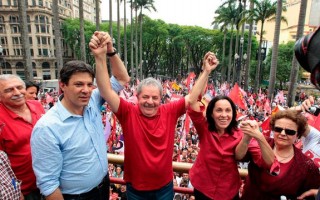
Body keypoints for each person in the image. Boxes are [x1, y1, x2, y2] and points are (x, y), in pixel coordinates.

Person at [89, 31, 189, 199]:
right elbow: (106, 90)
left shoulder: (170, 111)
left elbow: (193, 97)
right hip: (135, 190)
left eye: (155, 97)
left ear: (161, 98)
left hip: (165, 187)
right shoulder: (128, 111)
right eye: (145, 97)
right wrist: (101, 57)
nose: (150, 101)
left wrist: (206, 71)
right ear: (137, 96)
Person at [31, 31, 130, 200]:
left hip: (103, 186)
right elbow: (48, 184)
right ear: (63, 85)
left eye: (89, 84)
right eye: (78, 84)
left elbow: (122, 79)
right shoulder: (47, 128)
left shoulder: (92, 101)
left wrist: (108, 52)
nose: (86, 90)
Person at [186, 52, 274, 200]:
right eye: (218, 110)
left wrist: (255, 136)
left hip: (229, 192)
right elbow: (193, 100)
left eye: (228, 110)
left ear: (233, 114)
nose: (224, 115)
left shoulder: (241, 132)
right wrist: (206, 71)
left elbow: (266, 161)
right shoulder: (204, 127)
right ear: (211, 113)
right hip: (202, 188)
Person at [240, 110, 320, 199]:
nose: (282, 134)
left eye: (289, 132)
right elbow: (239, 157)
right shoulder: (258, 143)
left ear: (298, 135)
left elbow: (312, 193)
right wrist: (246, 137)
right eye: (278, 129)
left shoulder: (307, 165)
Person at [0, 74, 45, 199]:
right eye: (9, 90)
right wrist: (16, 190)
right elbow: (1, 167)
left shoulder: (37, 105)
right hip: (25, 190)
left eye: (20, 87)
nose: (17, 92)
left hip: (49, 180)